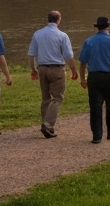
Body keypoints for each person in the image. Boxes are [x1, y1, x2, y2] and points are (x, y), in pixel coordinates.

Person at [27, 10, 78, 139]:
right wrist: (73, 70)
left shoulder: (37, 34)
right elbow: (68, 56)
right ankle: (48, 124)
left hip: (42, 68)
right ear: (58, 20)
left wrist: (33, 69)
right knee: (57, 98)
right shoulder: (62, 36)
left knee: (45, 98)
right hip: (57, 69)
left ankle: (45, 124)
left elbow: (31, 54)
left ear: (48, 19)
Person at [78, 15, 110, 144]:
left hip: (94, 77)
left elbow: (83, 62)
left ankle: (97, 135)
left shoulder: (89, 41)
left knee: (95, 106)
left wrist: (83, 78)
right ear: (108, 26)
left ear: (97, 27)